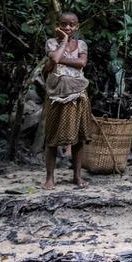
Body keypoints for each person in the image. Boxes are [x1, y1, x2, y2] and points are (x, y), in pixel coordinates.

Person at [42, 11, 94, 189]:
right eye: (64, 24)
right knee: (52, 137)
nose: (67, 28)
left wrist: (58, 61)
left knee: (79, 137)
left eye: (71, 25)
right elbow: (55, 58)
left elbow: (82, 63)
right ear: (57, 24)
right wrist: (63, 41)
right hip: (57, 94)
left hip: (78, 93)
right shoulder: (52, 43)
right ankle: (50, 178)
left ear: (77, 26)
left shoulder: (81, 44)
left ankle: (77, 176)